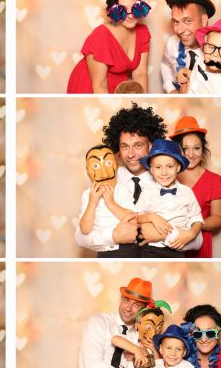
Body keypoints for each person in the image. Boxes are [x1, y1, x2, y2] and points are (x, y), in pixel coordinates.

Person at [74, 104, 203, 257]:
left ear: (150, 146)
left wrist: (163, 235)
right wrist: (113, 237)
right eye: (124, 146)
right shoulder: (107, 178)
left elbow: (197, 240)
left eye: (138, 145)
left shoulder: (167, 180)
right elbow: (80, 237)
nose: (130, 154)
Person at [74, 279, 151, 368]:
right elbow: (93, 367)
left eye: (136, 305)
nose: (128, 308)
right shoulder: (98, 322)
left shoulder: (140, 336)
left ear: (144, 309)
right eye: (126, 300)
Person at [67, 0, 151, 94]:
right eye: (122, 10)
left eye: (135, 8)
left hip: (119, 86)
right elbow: (99, 85)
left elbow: (140, 74)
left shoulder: (142, 32)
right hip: (92, 86)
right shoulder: (101, 36)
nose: (130, 15)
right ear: (113, 12)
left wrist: (142, 101)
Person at [170, 116, 221, 258]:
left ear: (203, 150)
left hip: (199, 245)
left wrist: (194, 227)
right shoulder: (167, 176)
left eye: (196, 148)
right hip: (169, 244)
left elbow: (218, 218)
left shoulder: (214, 181)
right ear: (177, 150)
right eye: (185, 149)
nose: (191, 154)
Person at [136, 139, 203, 257]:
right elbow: (137, 218)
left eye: (170, 166)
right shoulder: (147, 192)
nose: (164, 172)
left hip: (177, 248)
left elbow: (196, 217)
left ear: (178, 167)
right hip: (151, 248)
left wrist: (192, 233)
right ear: (151, 169)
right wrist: (152, 217)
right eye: (158, 167)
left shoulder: (187, 192)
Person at [160, 0, 215, 93]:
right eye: (175, 22)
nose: (179, 30)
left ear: (204, 20)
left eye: (187, 21)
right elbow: (165, 64)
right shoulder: (172, 43)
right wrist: (171, 90)